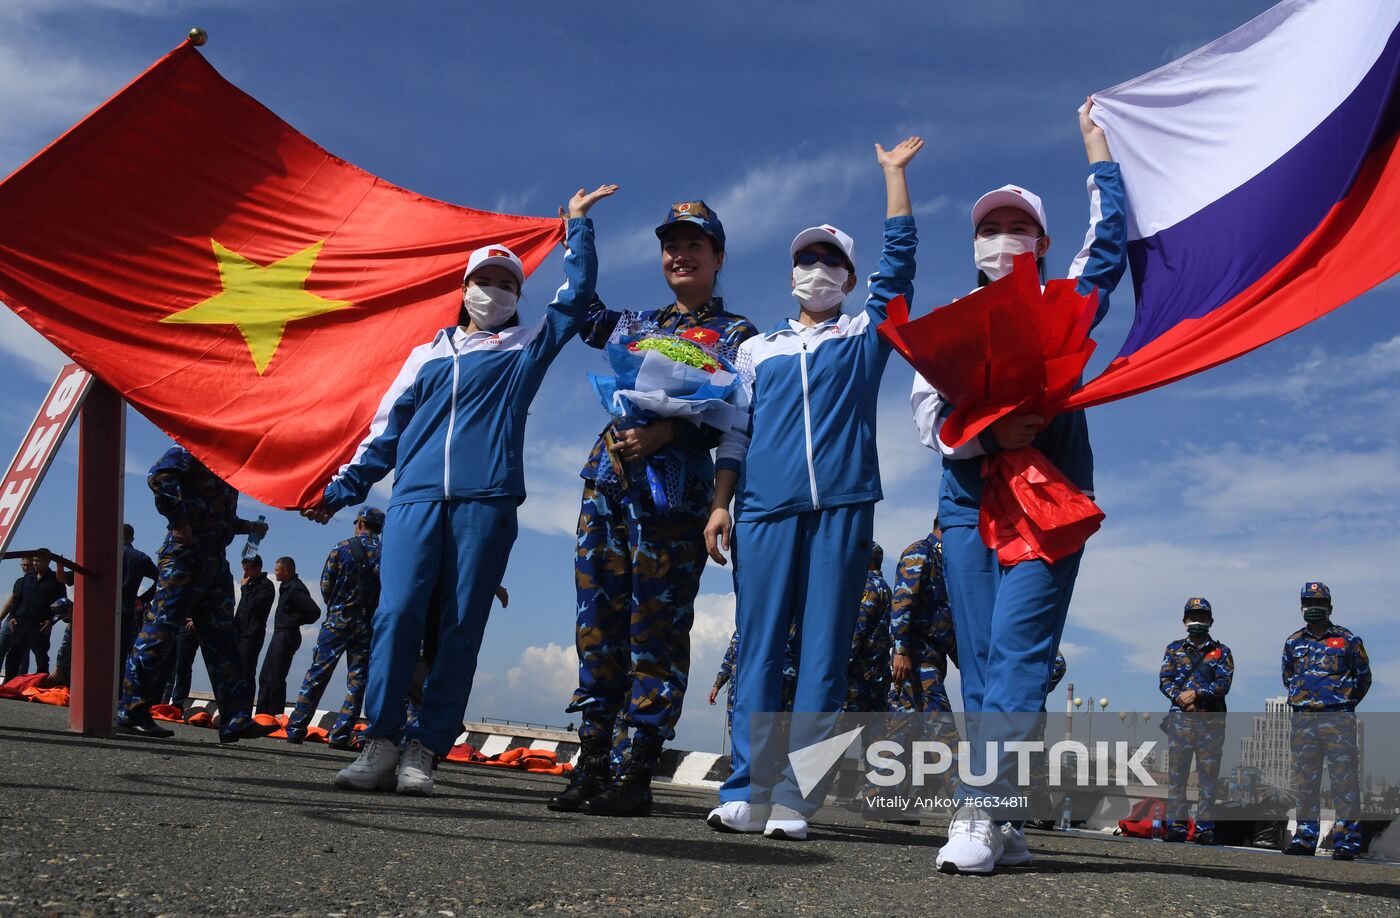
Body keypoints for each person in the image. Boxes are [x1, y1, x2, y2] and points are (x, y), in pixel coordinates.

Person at [303, 183, 615, 797]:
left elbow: (576, 299)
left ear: (517, 296)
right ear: (465, 288)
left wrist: (576, 226)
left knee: (460, 624)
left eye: (507, 283)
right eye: (486, 279)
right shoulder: (424, 355)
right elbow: (384, 432)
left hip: (486, 501)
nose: (494, 291)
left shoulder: (524, 348)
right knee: (394, 616)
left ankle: (424, 748)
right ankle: (380, 740)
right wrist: (342, 490)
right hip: (414, 501)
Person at [910, 99, 1126, 874]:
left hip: (1045, 497)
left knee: (1021, 655)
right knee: (980, 661)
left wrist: (1097, 148)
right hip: (969, 503)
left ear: (1041, 241)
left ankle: (976, 809)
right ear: (974, 245)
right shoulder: (948, 322)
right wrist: (987, 434)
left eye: (1020, 227)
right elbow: (929, 422)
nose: (1005, 239)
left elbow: (1107, 250)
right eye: (991, 228)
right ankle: (1001, 812)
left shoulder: (1062, 303)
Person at [703, 137, 923, 841]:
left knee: (826, 657)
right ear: (791, 271)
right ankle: (746, 787)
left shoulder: (863, 335)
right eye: (806, 259)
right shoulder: (755, 349)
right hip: (763, 510)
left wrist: (893, 180)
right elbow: (734, 432)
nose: (816, 269)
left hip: (842, 509)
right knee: (760, 648)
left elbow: (901, 273)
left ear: (849, 278)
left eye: (830, 260)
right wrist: (719, 503)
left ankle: (800, 798)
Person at [551, 198, 759, 818]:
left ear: (717, 258)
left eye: (695, 244)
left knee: (657, 631)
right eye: (671, 243)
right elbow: (581, 313)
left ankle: (636, 767)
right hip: (610, 487)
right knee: (597, 625)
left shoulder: (738, 336)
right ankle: (591, 760)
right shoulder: (637, 323)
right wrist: (579, 229)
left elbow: (740, 419)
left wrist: (674, 433)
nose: (680, 253)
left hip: (675, 502)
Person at [116, 446, 277, 742]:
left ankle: (235, 719)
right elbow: (159, 476)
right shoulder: (196, 446)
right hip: (184, 556)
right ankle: (130, 710)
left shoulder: (228, 465)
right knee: (158, 634)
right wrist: (179, 521)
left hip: (215, 561)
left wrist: (249, 527)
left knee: (224, 641)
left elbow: (216, 517)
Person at [1282, 582, 1370, 860]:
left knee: (1344, 781)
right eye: (1308, 603)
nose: (1313, 608)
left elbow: (1363, 677)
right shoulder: (1293, 641)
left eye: (1318, 602)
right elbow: (1289, 677)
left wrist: (1342, 702)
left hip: (1337, 719)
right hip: (1304, 720)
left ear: (1330, 607)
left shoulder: (1348, 640)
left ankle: (1347, 841)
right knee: (1305, 781)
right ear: (1301, 607)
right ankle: (1305, 837)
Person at [284, 507, 384, 749]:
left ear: (360, 523)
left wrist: (337, 607)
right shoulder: (387, 554)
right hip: (366, 623)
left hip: (338, 620)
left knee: (318, 673)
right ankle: (340, 734)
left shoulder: (341, 548)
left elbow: (326, 585)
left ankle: (296, 727)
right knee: (358, 679)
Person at [1158, 597, 1233, 846]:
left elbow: (1224, 684)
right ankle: (1177, 826)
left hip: (1210, 722)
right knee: (1177, 776)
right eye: (1193, 617)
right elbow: (1165, 681)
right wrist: (1182, 700)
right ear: (1184, 621)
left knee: (1208, 777)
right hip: (1181, 721)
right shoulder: (1174, 649)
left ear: (1210, 621)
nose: (1197, 622)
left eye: (1202, 618)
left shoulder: (1222, 652)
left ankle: (1204, 828)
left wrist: (1197, 694)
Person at [255, 556, 320, 717]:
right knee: (265, 677)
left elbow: (314, 612)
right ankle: (262, 716)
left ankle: (275, 716)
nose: (274, 572)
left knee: (276, 677)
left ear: (286, 570)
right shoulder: (286, 586)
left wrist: (294, 621)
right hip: (279, 634)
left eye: (277, 569)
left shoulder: (295, 588)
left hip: (287, 634)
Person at [2, 551, 69, 679]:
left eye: (38, 561)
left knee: (41, 657)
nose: (35, 563)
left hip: (40, 625)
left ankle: (40, 685)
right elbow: (17, 599)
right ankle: (8, 684)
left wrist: (51, 621)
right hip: (20, 623)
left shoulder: (56, 580)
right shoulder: (26, 578)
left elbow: (62, 604)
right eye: (34, 560)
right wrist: (11, 617)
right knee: (13, 655)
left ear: (47, 561)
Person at [843, 542, 892, 714]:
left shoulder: (868, 586)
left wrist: (842, 664)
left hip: (859, 676)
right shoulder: (885, 587)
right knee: (875, 737)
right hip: (878, 674)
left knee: (841, 735)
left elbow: (858, 629)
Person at [233, 554, 275, 684]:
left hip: (252, 635)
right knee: (235, 671)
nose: (245, 573)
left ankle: (247, 704)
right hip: (239, 632)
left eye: (248, 570)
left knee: (246, 671)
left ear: (257, 568)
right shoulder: (250, 584)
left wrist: (244, 588)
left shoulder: (266, 585)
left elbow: (254, 605)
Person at [120, 524, 159, 660]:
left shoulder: (106, 555)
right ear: (132, 539)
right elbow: (161, 580)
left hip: (105, 608)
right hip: (127, 609)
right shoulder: (140, 558)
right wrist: (143, 599)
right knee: (124, 654)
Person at [0, 555, 35, 679]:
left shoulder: (38, 583)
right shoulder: (20, 581)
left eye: (28, 566)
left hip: (26, 622)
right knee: (1, 648)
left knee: (22, 655)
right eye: (23, 565)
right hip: (11, 619)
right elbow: (11, 601)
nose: (26, 568)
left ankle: (17, 684)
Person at [163, 616, 200, 710]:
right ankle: (160, 703)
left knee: (183, 666)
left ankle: (177, 705)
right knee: (164, 665)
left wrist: (200, 621)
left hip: (187, 627)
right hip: (170, 623)